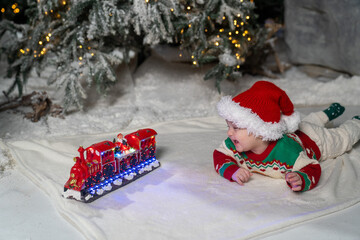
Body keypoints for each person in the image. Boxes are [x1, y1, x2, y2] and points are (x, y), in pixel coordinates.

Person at [213, 81, 360, 192]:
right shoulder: (235, 143)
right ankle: (326, 114)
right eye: (229, 126)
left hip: (315, 140)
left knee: (342, 138)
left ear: (260, 131)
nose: (229, 133)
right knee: (305, 122)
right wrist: (232, 171)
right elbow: (219, 155)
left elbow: (311, 167)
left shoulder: (287, 152)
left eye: (236, 128)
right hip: (297, 130)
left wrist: (301, 178)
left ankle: (356, 123)